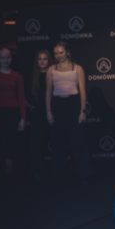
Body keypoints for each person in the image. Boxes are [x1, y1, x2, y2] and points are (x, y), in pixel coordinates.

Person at [45, 41, 91, 185]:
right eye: (56, 53)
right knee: (58, 143)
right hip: (58, 106)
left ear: (67, 52)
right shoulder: (51, 70)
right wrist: (48, 112)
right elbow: (48, 92)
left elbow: (83, 91)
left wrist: (82, 111)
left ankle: (84, 176)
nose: (58, 55)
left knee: (78, 142)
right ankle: (58, 177)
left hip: (74, 105)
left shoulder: (77, 68)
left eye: (61, 52)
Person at [0, 47, 27, 183]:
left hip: (13, 114)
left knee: (16, 148)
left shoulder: (17, 76)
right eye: (2, 57)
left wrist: (22, 118)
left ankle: (17, 179)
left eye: (8, 57)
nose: (5, 60)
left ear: (11, 58)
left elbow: (21, 98)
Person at [27, 49, 51, 182]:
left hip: (51, 112)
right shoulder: (32, 76)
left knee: (50, 141)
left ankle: (51, 170)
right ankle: (37, 171)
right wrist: (31, 106)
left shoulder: (53, 74)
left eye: (45, 59)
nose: (42, 62)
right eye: (39, 59)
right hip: (37, 114)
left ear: (49, 61)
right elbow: (25, 95)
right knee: (36, 143)